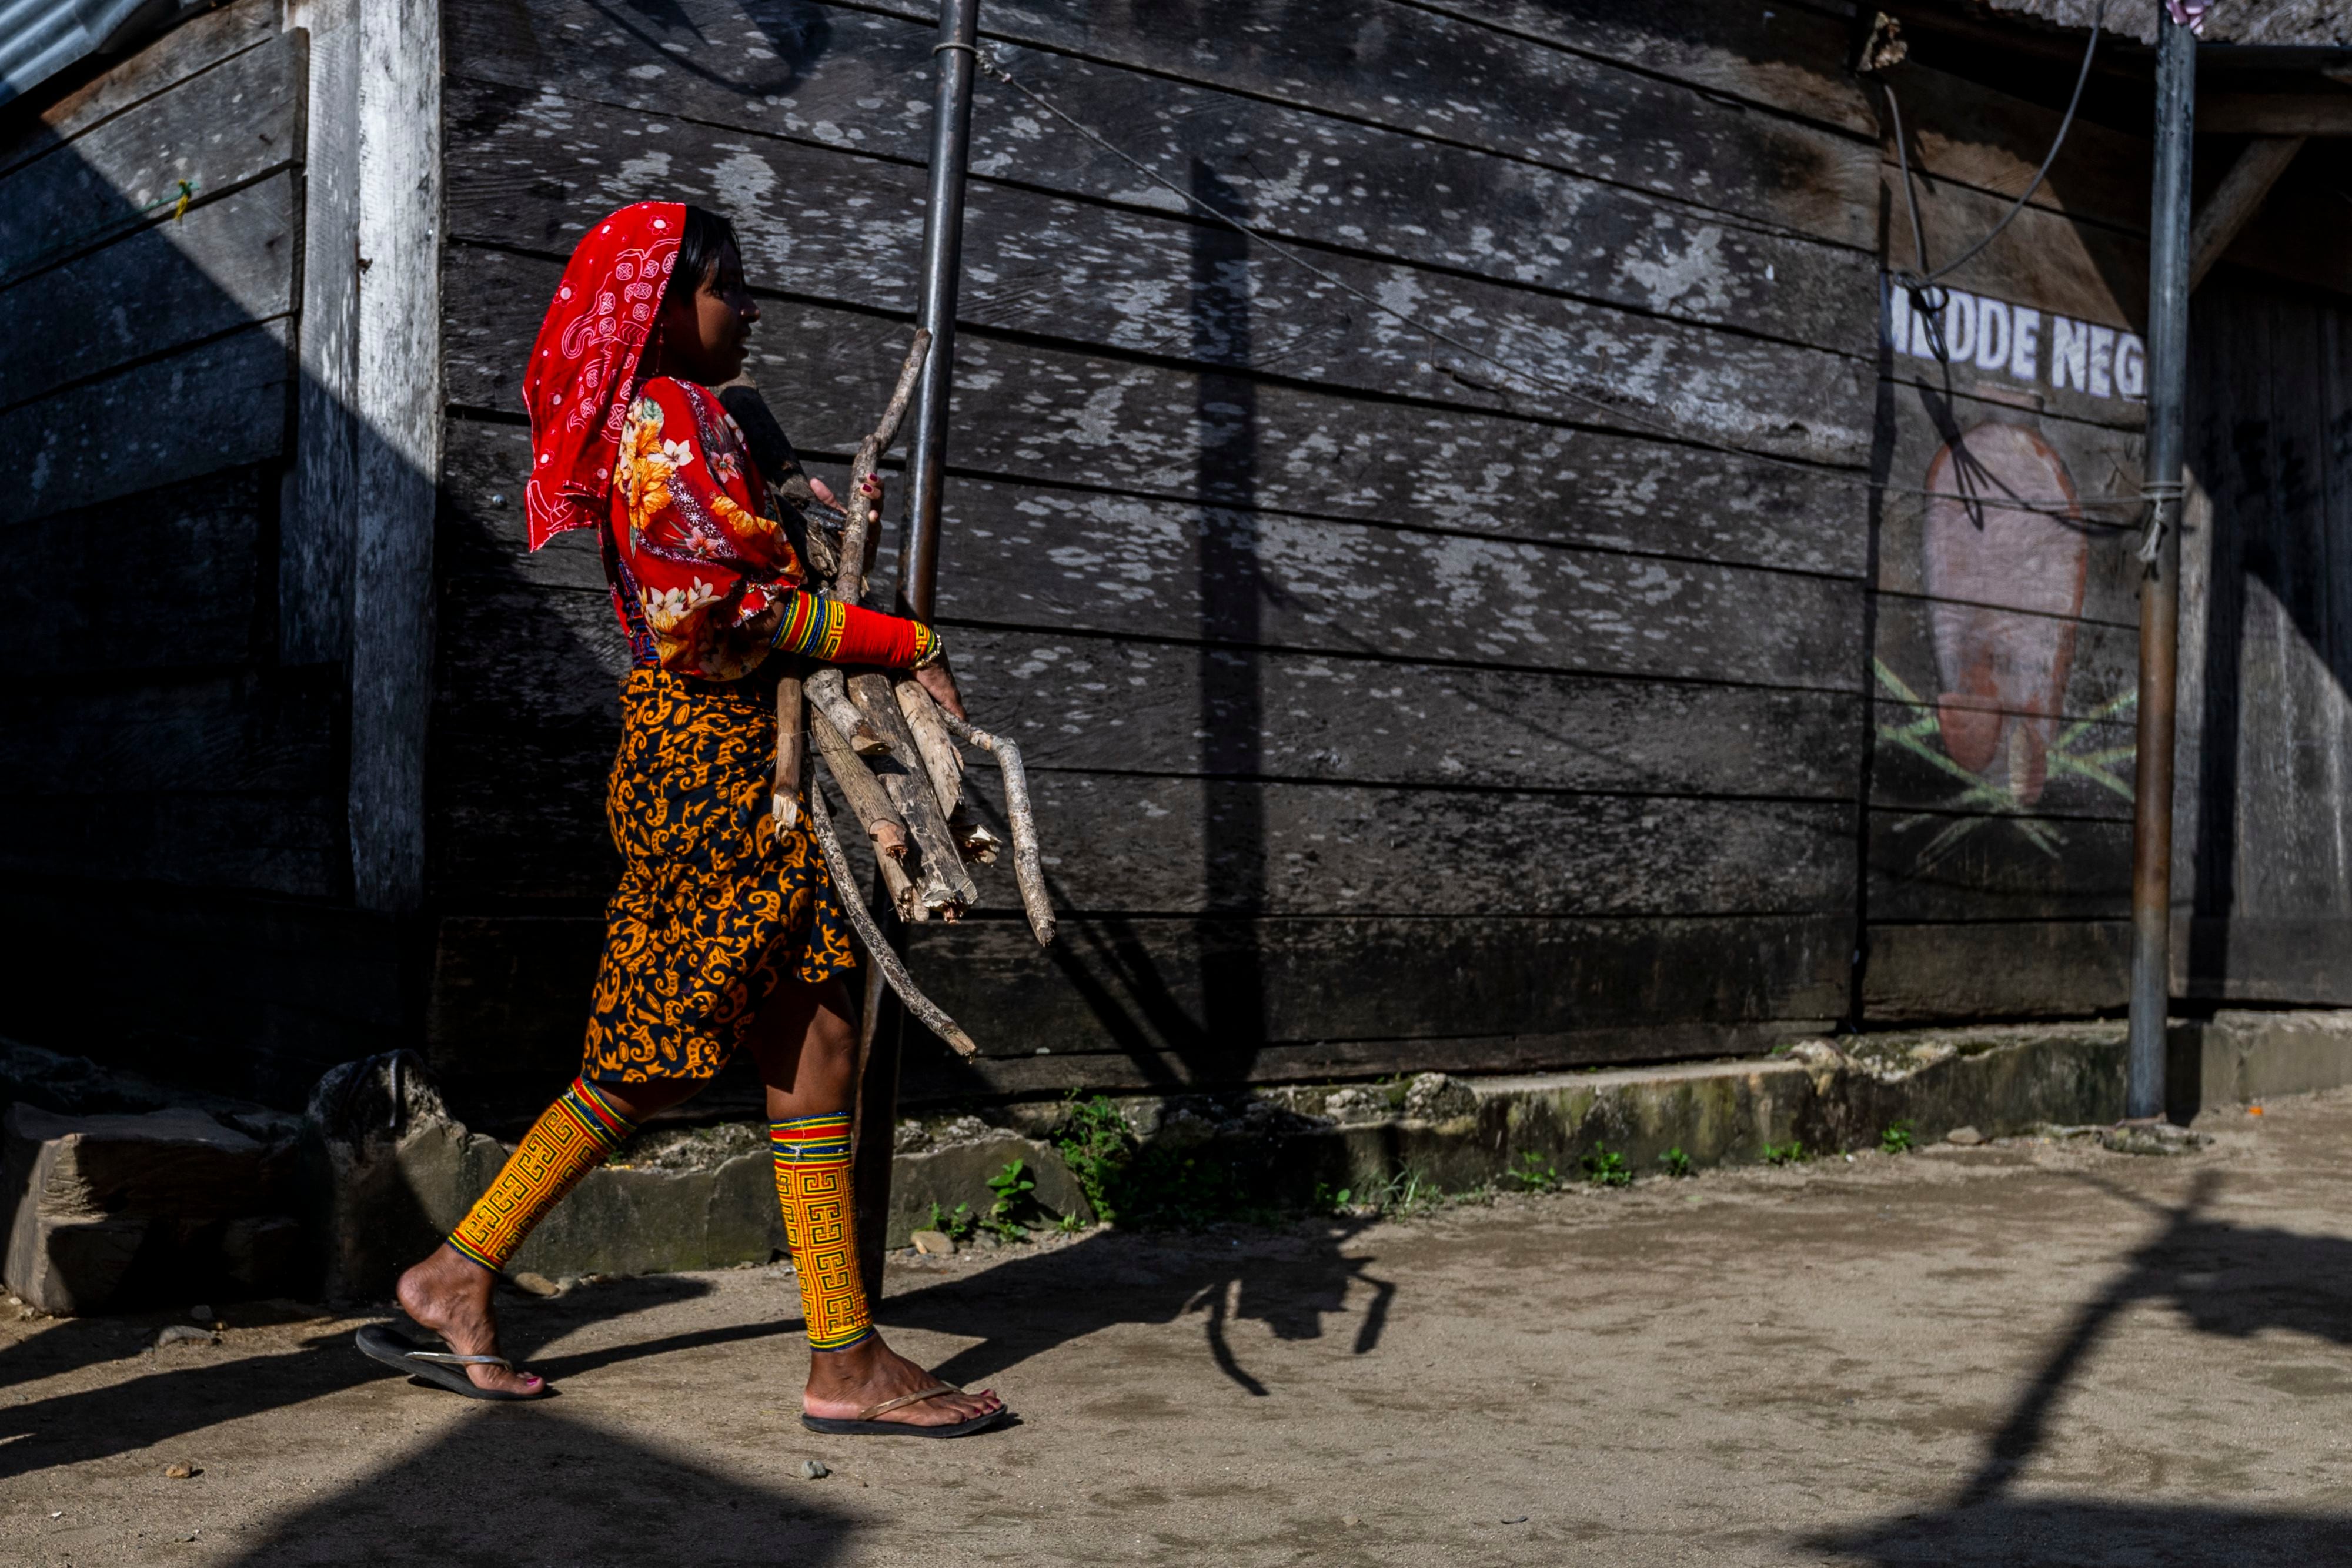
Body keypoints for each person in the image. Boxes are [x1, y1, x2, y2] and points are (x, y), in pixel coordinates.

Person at [356, 200, 1006, 1438]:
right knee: (654, 1052)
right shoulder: (662, 419)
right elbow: (706, 618)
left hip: (743, 765)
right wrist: (898, 638)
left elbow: (748, 572)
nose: (748, 308)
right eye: (728, 289)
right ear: (666, 308)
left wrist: (805, 532)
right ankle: (459, 1272)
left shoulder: (706, 421)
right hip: (706, 763)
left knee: (814, 1036)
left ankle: (840, 1351)